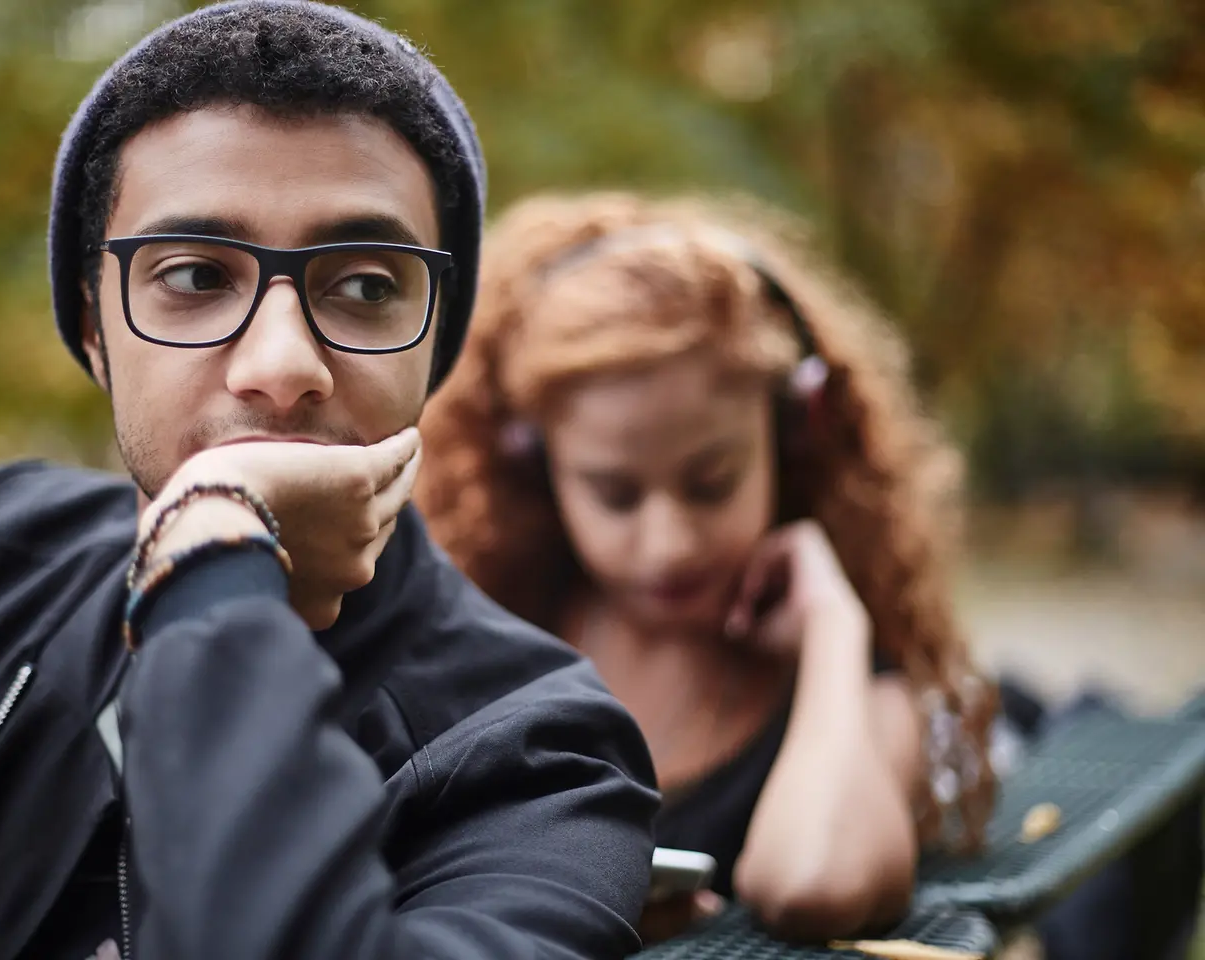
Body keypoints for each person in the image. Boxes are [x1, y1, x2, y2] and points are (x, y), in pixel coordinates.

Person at [0, 7, 660, 959]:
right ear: (94, 329)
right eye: (194, 275)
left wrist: (212, 541)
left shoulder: (544, 757)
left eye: (364, 286)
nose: (281, 364)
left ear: (434, 345)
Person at [416, 192, 1000, 941]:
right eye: (615, 495)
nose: (669, 544)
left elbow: (820, 883)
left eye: (712, 482)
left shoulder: (860, 686)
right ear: (535, 464)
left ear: (791, 435)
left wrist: (832, 626)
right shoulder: (494, 629)